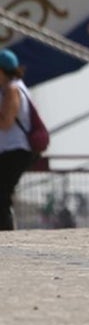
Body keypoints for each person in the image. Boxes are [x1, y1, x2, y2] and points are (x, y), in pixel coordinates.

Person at [0, 50, 33, 231]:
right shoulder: (14, 87)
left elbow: (6, 122)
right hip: (12, 150)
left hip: (15, 150)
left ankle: (5, 232)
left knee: (2, 193)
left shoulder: (12, 89)